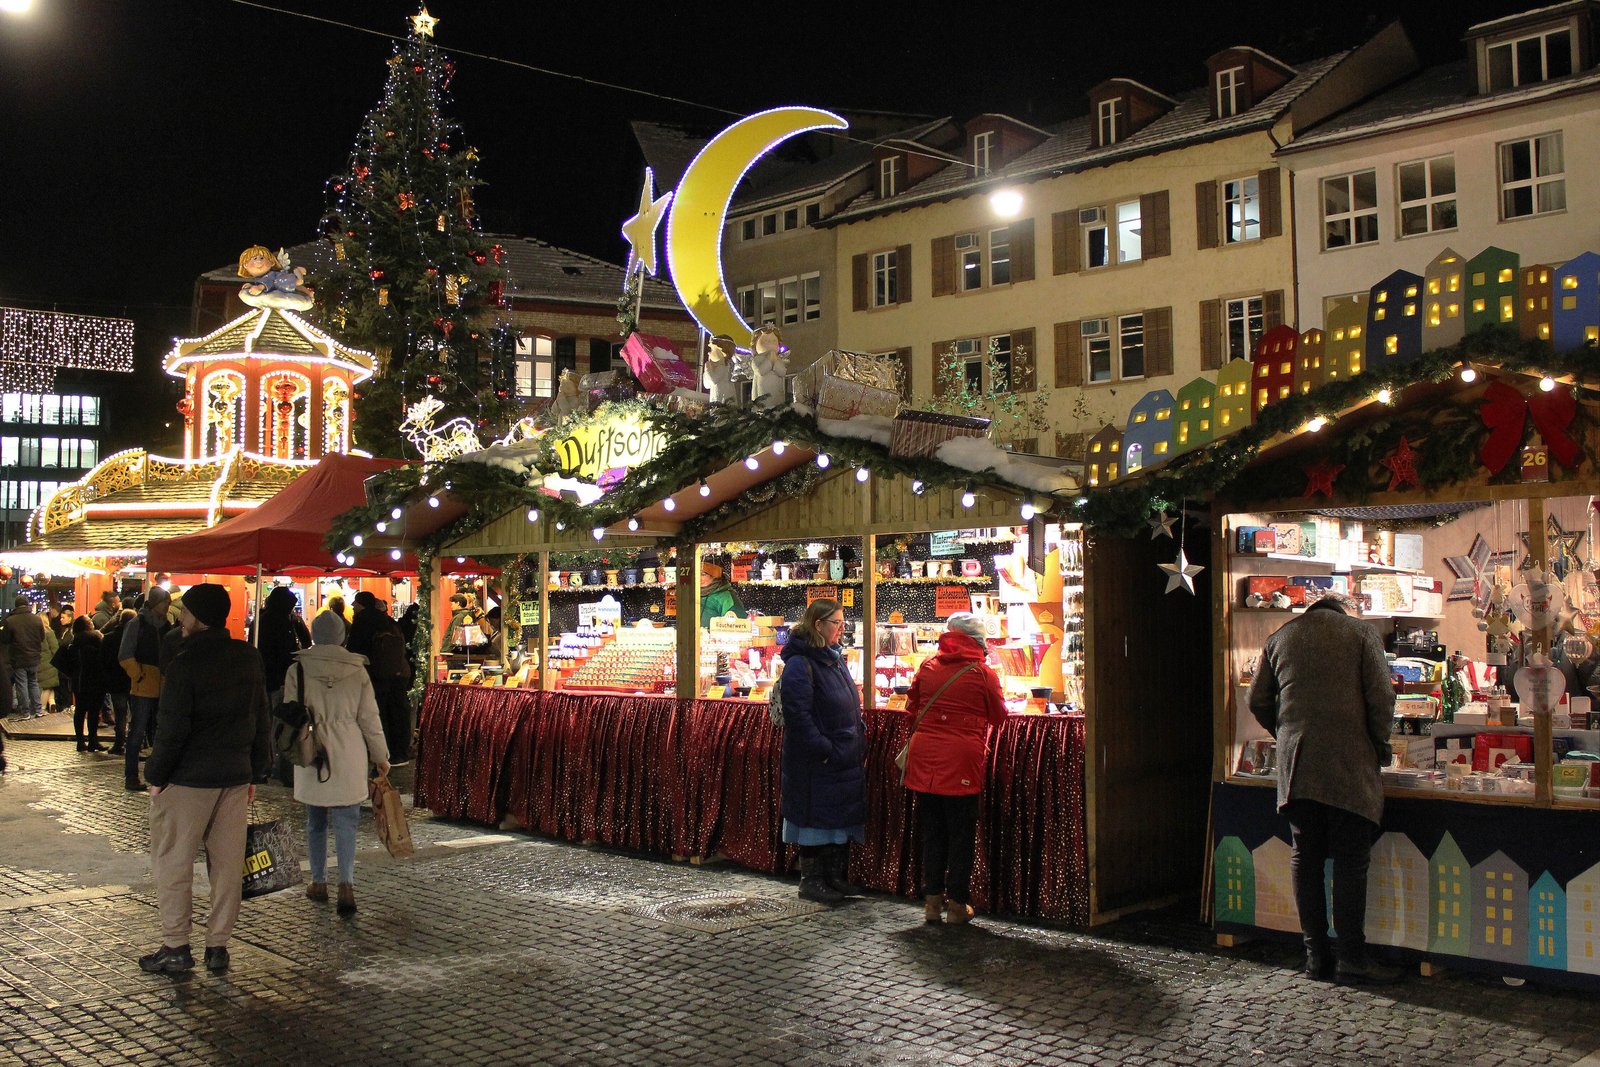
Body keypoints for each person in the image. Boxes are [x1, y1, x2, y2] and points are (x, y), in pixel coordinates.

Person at [1248, 593, 1401, 985]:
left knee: (1306, 858)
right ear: (1342, 611)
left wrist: (1285, 734)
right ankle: (1351, 957)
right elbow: (1382, 699)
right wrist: (1381, 746)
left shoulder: (1281, 637)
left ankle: (1316, 957)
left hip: (1298, 769)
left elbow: (1257, 699)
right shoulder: (1362, 635)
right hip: (1349, 767)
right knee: (1351, 862)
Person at [138, 583, 270, 976]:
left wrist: (155, 775)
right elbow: (259, 717)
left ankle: (177, 946)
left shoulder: (185, 662)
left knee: (174, 863)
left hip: (190, 778)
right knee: (227, 866)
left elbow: (172, 727)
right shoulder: (249, 657)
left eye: (186, 613)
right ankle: (218, 946)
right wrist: (257, 770)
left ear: (199, 617)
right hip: (233, 776)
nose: (181, 619)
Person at [902, 612, 1009, 925]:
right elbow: (999, 716)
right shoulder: (983, 674)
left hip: (924, 758)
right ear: (978, 641)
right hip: (962, 759)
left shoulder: (928, 665)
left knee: (932, 831)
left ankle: (932, 902)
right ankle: (958, 906)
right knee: (961, 834)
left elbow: (912, 707)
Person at [289, 610, 391, 916]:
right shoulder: (357, 670)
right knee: (347, 821)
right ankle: (346, 883)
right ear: (342, 636)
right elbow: (369, 718)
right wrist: (380, 756)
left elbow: (290, 713)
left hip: (312, 748)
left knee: (315, 820)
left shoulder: (298, 669)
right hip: (349, 748)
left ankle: (318, 881)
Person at [777, 598, 865, 905]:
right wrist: (823, 749)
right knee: (815, 816)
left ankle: (832, 877)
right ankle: (812, 880)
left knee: (835, 815)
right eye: (836, 623)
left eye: (843, 622)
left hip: (840, 753)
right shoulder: (800, 665)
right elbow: (798, 715)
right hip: (817, 759)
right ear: (818, 625)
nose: (842, 628)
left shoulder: (833, 658)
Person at [346, 591, 413, 761]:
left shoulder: (362, 622)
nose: (353, 607)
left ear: (362, 604)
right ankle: (400, 752)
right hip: (397, 674)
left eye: (356, 604)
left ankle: (383, 752)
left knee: (379, 713)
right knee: (398, 713)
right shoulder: (389, 621)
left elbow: (354, 650)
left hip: (374, 675)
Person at [119, 587, 172, 791]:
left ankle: (158, 776)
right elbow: (125, 654)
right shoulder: (137, 624)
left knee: (161, 732)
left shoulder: (166, 626)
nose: (167, 606)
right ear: (154, 604)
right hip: (143, 685)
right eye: (164, 602)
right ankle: (131, 776)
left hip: (162, 685)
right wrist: (139, 674)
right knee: (137, 732)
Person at [57, 617, 108, 752]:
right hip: (96, 680)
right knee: (94, 711)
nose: (92, 623)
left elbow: (61, 661)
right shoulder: (97, 640)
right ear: (87, 626)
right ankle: (93, 740)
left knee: (80, 711)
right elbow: (103, 660)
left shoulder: (72, 642)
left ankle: (80, 742)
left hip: (79, 681)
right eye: (90, 622)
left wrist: (72, 674)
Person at [4, 596, 49, 719]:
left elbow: (5, 639)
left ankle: (25, 712)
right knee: (33, 683)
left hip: (18, 658)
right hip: (34, 657)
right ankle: (38, 710)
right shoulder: (36, 619)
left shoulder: (11, 621)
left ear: (16, 605)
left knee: (21, 684)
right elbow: (41, 637)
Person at [100, 608, 135, 755]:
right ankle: (136, 743)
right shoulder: (136, 638)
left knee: (120, 714)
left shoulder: (109, 638)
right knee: (136, 714)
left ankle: (119, 743)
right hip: (134, 680)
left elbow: (102, 660)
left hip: (116, 682)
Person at [699, 563, 746, 629]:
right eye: (696, 573)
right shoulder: (692, 593)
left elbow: (738, 624)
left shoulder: (725, 597)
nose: (698, 578)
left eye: (703, 574)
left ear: (714, 576)